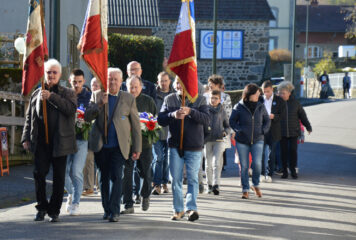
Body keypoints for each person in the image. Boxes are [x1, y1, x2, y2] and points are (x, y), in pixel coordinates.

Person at [21, 59, 77, 222]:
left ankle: (54, 210)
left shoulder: (67, 92)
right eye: (48, 72)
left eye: (54, 72)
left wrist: (52, 96)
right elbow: (29, 117)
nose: (51, 75)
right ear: (44, 74)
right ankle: (42, 207)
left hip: (61, 142)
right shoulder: (36, 93)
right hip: (41, 142)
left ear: (60, 75)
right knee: (39, 174)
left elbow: (70, 109)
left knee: (59, 177)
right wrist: (25, 137)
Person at [85, 68, 142, 222]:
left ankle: (115, 210)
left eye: (115, 79)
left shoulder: (128, 98)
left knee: (117, 176)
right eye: (109, 79)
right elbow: (87, 116)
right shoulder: (97, 95)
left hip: (119, 146)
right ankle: (106, 208)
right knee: (103, 178)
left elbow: (136, 126)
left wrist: (137, 148)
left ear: (121, 81)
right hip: (101, 145)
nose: (112, 82)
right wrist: (99, 104)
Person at [158, 78, 210, 221]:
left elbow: (206, 119)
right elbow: (161, 119)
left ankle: (191, 208)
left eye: (183, 82)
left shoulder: (200, 100)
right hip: (175, 145)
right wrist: (172, 115)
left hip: (194, 145)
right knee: (175, 179)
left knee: (193, 179)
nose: (180, 85)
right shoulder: (169, 99)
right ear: (174, 85)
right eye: (178, 83)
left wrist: (191, 112)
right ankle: (178, 210)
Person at [121, 75, 157, 214]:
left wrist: (150, 128)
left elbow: (155, 120)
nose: (134, 89)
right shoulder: (122, 100)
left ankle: (145, 194)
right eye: (131, 87)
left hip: (145, 144)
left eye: (136, 87)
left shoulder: (148, 101)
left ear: (141, 87)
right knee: (127, 173)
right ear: (127, 87)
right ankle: (128, 204)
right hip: (127, 144)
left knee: (146, 172)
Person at [229, 83, 270, 199]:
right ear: (250, 95)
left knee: (257, 164)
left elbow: (267, 120)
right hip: (242, 140)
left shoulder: (260, 106)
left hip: (258, 139)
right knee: (245, 165)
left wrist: (263, 130)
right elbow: (232, 121)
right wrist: (238, 129)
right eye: (257, 93)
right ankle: (245, 189)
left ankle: (255, 184)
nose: (259, 95)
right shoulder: (238, 106)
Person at [64, 69, 91, 216]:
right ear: (70, 81)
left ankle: (75, 203)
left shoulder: (89, 96)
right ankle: (71, 193)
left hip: (82, 139)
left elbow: (93, 113)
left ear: (84, 81)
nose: (77, 85)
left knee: (75, 171)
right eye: (74, 82)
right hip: (66, 139)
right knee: (63, 172)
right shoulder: (65, 94)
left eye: (80, 82)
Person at [278, 81, 312, 179]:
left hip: (294, 132)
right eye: (280, 93)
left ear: (289, 93)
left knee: (293, 151)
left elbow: (303, 116)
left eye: (283, 93)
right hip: (281, 132)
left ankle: (293, 170)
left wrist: (308, 127)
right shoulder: (277, 103)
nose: (281, 95)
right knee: (283, 152)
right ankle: (284, 171)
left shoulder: (296, 103)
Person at [152, 72, 174, 195]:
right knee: (158, 158)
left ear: (169, 81)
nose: (163, 83)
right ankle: (156, 184)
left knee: (166, 160)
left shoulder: (174, 94)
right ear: (158, 82)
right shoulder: (153, 94)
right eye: (161, 81)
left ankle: (165, 182)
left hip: (170, 132)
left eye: (165, 80)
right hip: (156, 132)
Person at [204, 90, 230, 195]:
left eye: (216, 98)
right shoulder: (205, 110)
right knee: (208, 163)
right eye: (212, 98)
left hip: (219, 139)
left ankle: (216, 185)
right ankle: (209, 185)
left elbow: (227, 126)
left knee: (216, 163)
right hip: (207, 140)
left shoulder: (222, 111)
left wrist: (225, 132)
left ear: (220, 99)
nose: (213, 100)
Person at [261, 80, 285, 183]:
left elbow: (283, 115)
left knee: (271, 153)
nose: (266, 93)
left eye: (268, 91)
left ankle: (269, 174)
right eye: (264, 91)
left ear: (272, 90)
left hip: (274, 130)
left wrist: (274, 116)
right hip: (262, 130)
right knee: (261, 153)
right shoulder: (259, 100)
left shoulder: (279, 100)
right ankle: (262, 173)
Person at [82, 78, 101, 196]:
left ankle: (99, 185)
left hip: (99, 134)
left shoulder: (104, 98)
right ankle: (88, 187)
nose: (94, 87)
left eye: (97, 85)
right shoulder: (88, 97)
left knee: (98, 162)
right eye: (93, 84)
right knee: (88, 160)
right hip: (87, 132)